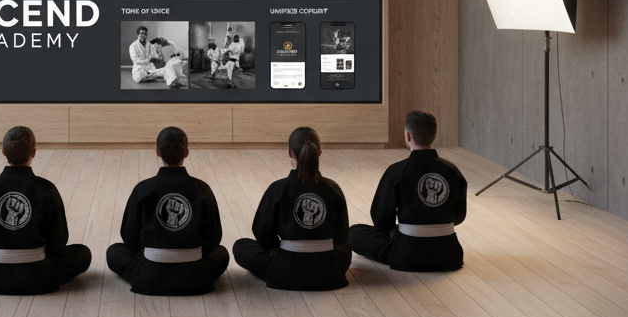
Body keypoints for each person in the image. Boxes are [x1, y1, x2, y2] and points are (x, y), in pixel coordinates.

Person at [0, 126, 91, 294]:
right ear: (33, 153)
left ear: (3, 152)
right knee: (82, 253)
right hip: (38, 275)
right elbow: (59, 242)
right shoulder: (47, 188)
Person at [107, 126, 229, 295]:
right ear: (186, 153)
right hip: (195, 276)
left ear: (158, 152)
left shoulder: (143, 188)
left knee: (114, 251)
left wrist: (147, 253)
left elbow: (129, 237)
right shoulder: (202, 189)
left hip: (149, 275)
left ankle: (147, 275)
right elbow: (213, 239)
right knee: (222, 253)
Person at [233, 127, 351, 290]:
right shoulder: (333, 188)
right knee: (346, 248)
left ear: (290, 152)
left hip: (285, 269)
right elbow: (341, 236)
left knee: (241, 246)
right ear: (319, 153)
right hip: (327, 271)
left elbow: (261, 232)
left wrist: (277, 251)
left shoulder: (278, 189)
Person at [347, 110, 466, 271]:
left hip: (407, 254)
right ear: (434, 136)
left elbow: (381, 220)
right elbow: (459, 216)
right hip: (449, 254)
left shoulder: (396, 171)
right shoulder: (452, 170)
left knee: (354, 232)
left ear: (408, 136)